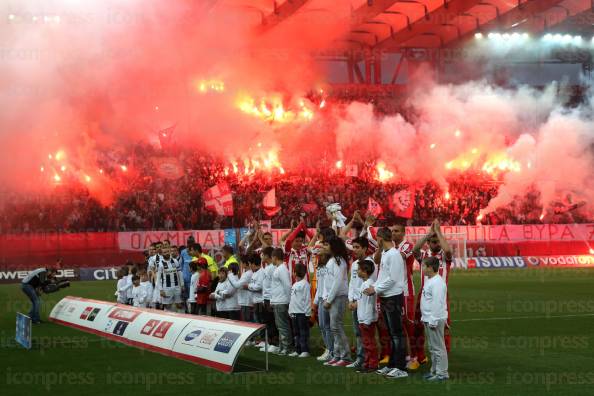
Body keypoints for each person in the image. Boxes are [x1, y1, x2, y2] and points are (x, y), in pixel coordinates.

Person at [364, 227, 408, 379]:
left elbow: (393, 279)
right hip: (385, 296)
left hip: (393, 297)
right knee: (391, 333)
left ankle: (401, 367)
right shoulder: (385, 253)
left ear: (381, 239)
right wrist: (377, 288)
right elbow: (384, 276)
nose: (377, 241)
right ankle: (392, 364)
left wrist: (375, 288)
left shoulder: (394, 255)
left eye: (377, 239)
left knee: (397, 333)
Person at [411, 220, 453, 364]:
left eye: (438, 242)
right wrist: (429, 234)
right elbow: (414, 250)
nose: (436, 244)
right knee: (418, 326)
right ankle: (420, 355)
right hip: (423, 294)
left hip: (440, 295)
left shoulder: (445, 256)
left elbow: (448, 251)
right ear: (428, 242)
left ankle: (443, 355)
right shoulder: (425, 255)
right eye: (433, 242)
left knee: (443, 326)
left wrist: (439, 233)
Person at [391, 224, 419, 370]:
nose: (393, 233)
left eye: (396, 231)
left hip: (406, 291)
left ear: (403, 232)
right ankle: (405, 355)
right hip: (393, 292)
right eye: (392, 231)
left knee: (409, 325)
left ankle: (414, 357)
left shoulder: (407, 246)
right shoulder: (391, 248)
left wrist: (387, 249)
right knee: (397, 326)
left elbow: (400, 257)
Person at [323, 237, 351, 366]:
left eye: (327, 244)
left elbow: (337, 282)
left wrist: (329, 299)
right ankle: (337, 354)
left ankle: (345, 357)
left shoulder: (339, 261)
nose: (325, 247)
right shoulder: (332, 261)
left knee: (336, 326)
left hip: (338, 297)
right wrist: (325, 296)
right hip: (332, 297)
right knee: (334, 327)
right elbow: (327, 281)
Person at [420, 256, 449, 381]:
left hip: (434, 319)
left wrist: (433, 319)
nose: (422, 268)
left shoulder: (437, 282)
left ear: (430, 268)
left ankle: (442, 373)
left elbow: (438, 303)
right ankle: (435, 371)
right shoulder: (430, 280)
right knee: (432, 347)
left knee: (438, 347)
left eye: (424, 266)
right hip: (428, 318)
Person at [346, 237, 372, 369]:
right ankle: (361, 358)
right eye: (353, 247)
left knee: (366, 333)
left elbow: (370, 285)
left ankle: (366, 359)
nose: (354, 250)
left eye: (357, 247)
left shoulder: (370, 263)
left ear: (365, 248)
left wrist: (358, 302)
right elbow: (352, 283)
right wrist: (351, 300)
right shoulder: (355, 264)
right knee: (357, 332)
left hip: (365, 304)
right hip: (355, 302)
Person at [356, 259, 379, 373]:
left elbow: (370, 304)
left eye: (359, 269)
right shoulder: (365, 283)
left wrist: (368, 320)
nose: (357, 271)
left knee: (369, 343)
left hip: (367, 319)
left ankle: (373, 364)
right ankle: (367, 363)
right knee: (366, 343)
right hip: (363, 318)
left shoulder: (368, 284)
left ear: (365, 271)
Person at [270, 247, 293, 355]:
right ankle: (282, 346)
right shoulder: (279, 268)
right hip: (278, 301)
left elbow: (287, 286)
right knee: (280, 325)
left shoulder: (282, 269)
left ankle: (286, 347)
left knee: (283, 325)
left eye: (272, 258)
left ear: (275, 257)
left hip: (281, 301)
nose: (271, 260)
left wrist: (289, 301)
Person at [313, 251, 333, 362]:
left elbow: (328, 285)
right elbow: (320, 285)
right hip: (320, 298)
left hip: (326, 298)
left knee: (327, 325)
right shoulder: (320, 267)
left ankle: (331, 350)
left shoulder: (330, 265)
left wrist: (327, 298)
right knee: (321, 325)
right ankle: (328, 348)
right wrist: (315, 301)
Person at [288, 263, 311, 358]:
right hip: (294, 312)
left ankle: (305, 350)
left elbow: (307, 299)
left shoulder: (305, 284)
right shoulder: (294, 285)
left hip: (302, 313)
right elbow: (292, 299)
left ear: (294, 273)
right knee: (296, 332)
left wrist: (308, 312)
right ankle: (297, 350)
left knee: (303, 332)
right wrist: (290, 310)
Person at [260, 246, 279, 353]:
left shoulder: (272, 268)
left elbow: (273, 285)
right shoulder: (267, 267)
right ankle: (270, 342)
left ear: (267, 256)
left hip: (270, 298)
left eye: (262, 254)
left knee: (272, 321)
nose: (261, 256)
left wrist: (271, 299)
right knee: (267, 321)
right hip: (266, 298)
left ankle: (275, 344)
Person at [156, 245, 184, 312]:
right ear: (162, 254)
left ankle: (180, 320)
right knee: (168, 306)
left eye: (168, 251)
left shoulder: (175, 261)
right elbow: (158, 278)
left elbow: (180, 274)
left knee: (179, 305)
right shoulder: (160, 264)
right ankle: (168, 319)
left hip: (177, 287)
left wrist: (182, 285)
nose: (166, 253)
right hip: (166, 288)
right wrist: (161, 290)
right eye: (165, 252)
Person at [247, 254, 265, 346]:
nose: (249, 266)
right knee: (257, 321)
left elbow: (259, 287)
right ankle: (259, 340)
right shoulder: (254, 273)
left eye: (250, 264)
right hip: (255, 301)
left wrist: (248, 286)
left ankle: (263, 340)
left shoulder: (261, 272)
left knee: (261, 321)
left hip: (260, 301)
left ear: (254, 264)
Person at [236, 255, 254, 322]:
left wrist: (231, 277)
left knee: (247, 321)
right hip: (245, 301)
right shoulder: (246, 273)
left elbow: (238, 285)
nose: (241, 264)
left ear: (245, 264)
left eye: (242, 263)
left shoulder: (248, 274)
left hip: (246, 301)